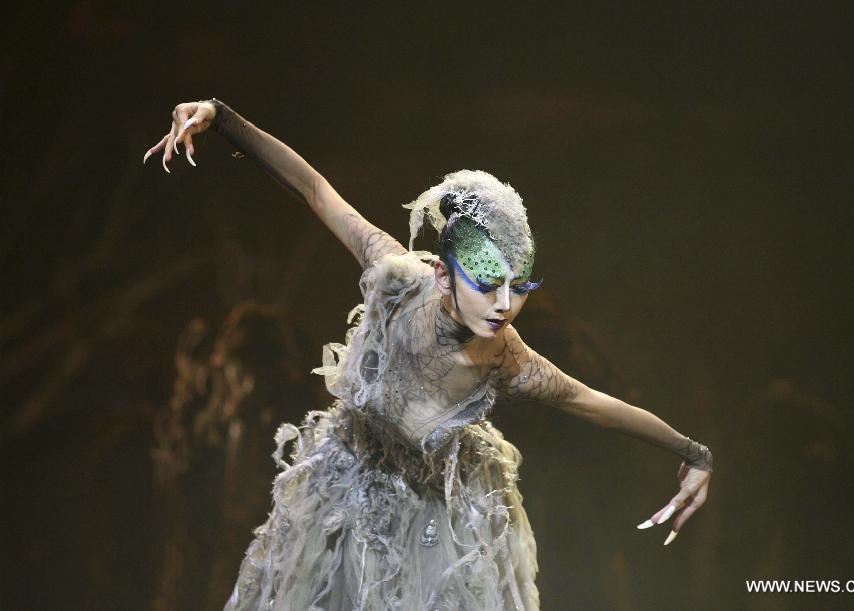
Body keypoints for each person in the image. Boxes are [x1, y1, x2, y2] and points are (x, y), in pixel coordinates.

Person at [144, 99, 713, 610]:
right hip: (340, 491)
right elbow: (316, 189)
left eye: (519, 287)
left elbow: (590, 401)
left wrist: (692, 452)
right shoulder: (396, 277)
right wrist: (221, 118)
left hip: (428, 520)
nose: (505, 305)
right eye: (488, 285)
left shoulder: (503, 357)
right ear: (442, 275)